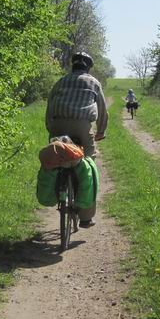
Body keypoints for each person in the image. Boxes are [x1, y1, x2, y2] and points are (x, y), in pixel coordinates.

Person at [46, 51, 108, 226]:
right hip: (82, 126)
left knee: (56, 160)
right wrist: (101, 131)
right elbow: (102, 110)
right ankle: (86, 217)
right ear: (88, 67)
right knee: (88, 164)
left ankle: (56, 189)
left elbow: (50, 106)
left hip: (57, 125)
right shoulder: (93, 82)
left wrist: (51, 128)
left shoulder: (60, 81)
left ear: (72, 65)